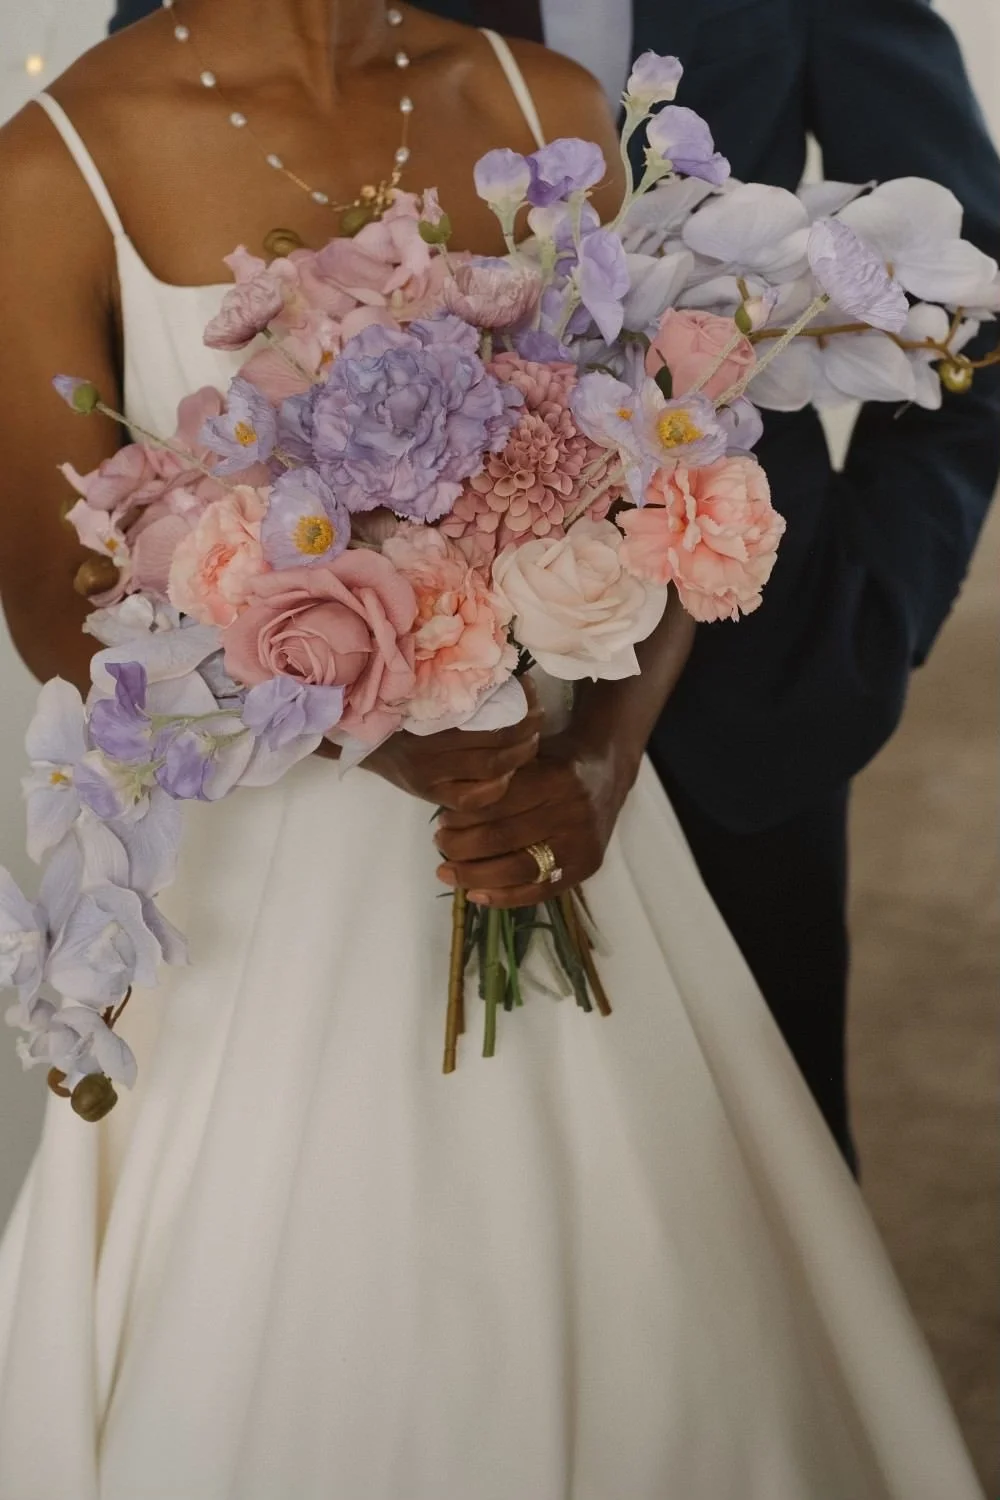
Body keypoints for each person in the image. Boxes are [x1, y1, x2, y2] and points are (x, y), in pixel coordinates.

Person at [0, 3, 988, 1496]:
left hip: (580, 820)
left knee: (676, 1297)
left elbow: (672, 470)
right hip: (266, 896)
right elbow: (59, 606)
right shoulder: (54, 160)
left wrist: (598, 763)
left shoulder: (540, 96)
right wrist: (371, 712)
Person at [110, 0, 1000, 1182]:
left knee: (763, 1217)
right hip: (382, 767)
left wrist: (869, 612)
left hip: (743, 702)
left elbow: (977, 309)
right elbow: (148, 247)